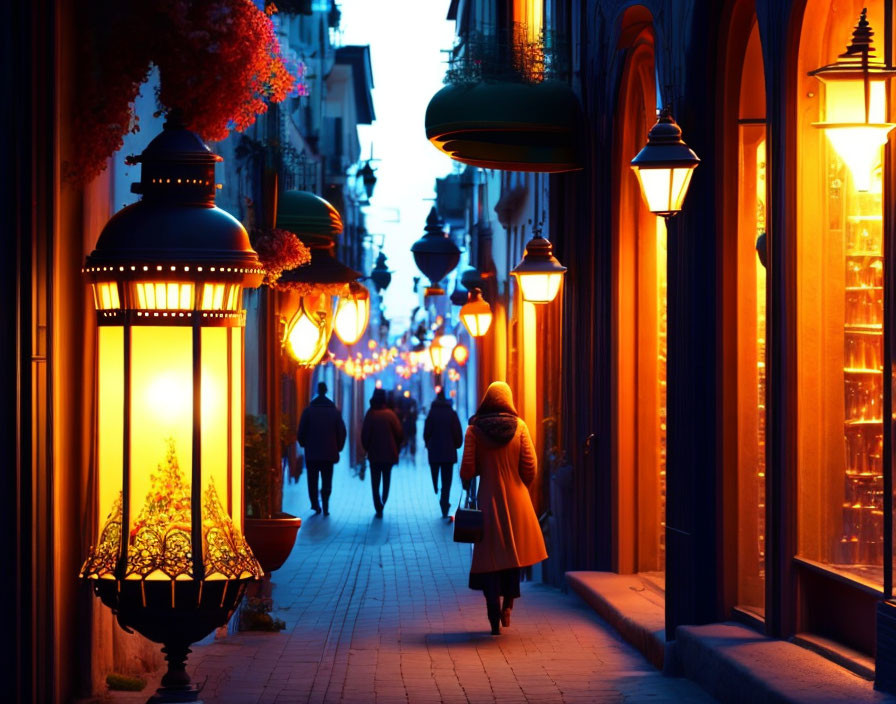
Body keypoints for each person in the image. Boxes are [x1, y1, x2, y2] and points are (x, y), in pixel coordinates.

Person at [460, 381, 547, 635]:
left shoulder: (474, 430)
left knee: (489, 557)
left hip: (488, 500)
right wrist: (520, 486)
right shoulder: (520, 427)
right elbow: (530, 468)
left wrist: (478, 470)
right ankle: (509, 604)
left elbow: (467, 471)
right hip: (517, 498)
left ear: (487, 400)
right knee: (513, 555)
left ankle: (492, 612)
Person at [297, 382, 346, 517]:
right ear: (326, 391)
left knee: (312, 480)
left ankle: (315, 504)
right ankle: (325, 504)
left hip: (312, 453)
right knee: (327, 479)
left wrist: (303, 443)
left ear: (318, 391)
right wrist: (338, 447)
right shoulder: (334, 411)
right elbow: (341, 431)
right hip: (329, 453)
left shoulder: (308, 411)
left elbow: (301, 432)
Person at [361, 387, 404, 517]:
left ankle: (377, 505)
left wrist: (367, 448)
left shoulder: (370, 414)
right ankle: (383, 501)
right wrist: (396, 447)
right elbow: (399, 434)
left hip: (374, 454)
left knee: (375, 481)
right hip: (389, 454)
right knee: (386, 479)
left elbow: (364, 436)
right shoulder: (390, 415)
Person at [423, 390, 463, 518]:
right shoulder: (452, 413)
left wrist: (427, 443)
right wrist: (456, 445)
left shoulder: (432, 413)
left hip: (434, 452)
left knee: (435, 474)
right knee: (447, 480)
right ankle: (444, 502)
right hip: (448, 453)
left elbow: (426, 432)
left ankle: (436, 489)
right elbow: (457, 433)